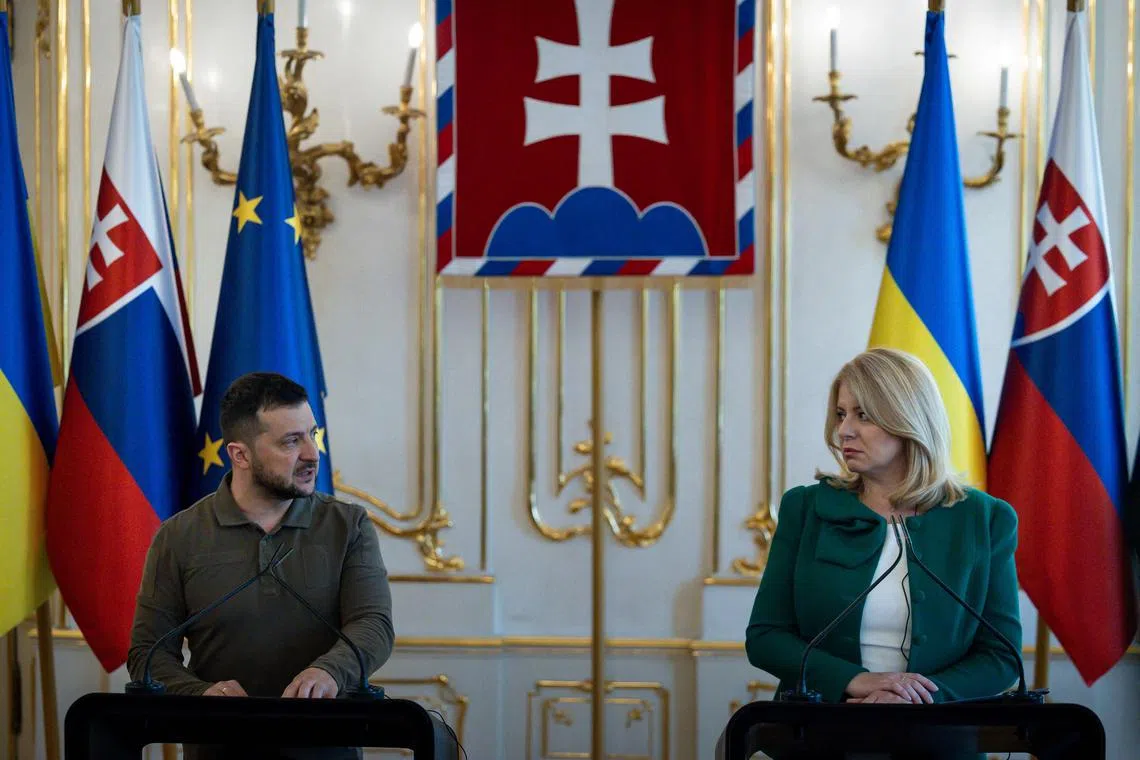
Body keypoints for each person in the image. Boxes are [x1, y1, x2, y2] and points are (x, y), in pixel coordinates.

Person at [128, 372, 394, 760]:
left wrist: (329, 672)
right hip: (218, 751)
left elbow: (373, 624)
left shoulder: (349, 525)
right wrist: (199, 694)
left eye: (312, 434)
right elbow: (147, 653)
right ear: (241, 455)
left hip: (325, 748)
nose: (312, 454)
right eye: (291, 441)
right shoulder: (178, 536)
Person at [745, 348, 1021, 705]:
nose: (844, 430)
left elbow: (1001, 657)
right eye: (841, 414)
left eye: (863, 415)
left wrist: (915, 699)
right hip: (819, 726)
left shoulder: (984, 519)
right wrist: (854, 680)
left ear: (909, 418)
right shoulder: (805, 508)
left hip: (937, 731)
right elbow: (766, 637)